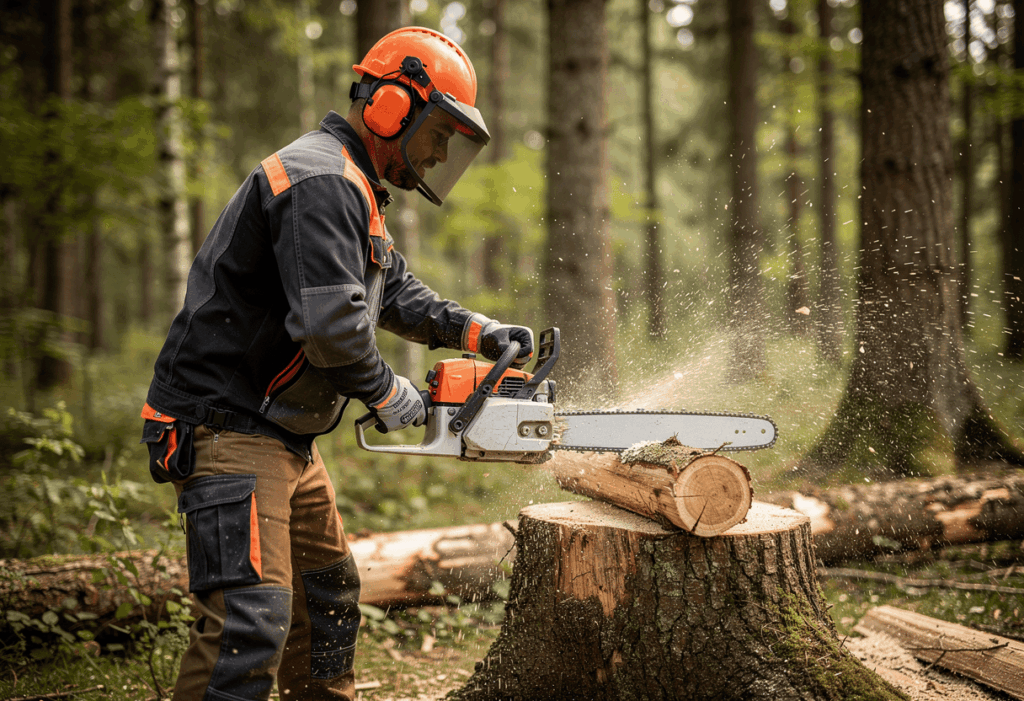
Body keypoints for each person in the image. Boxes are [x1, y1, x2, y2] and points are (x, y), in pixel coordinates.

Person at [140, 27, 533, 701]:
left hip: (282, 433)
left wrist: (478, 330)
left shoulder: (353, 186)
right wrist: (390, 392)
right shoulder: (322, 180)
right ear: (389, 106)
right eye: (439, 133)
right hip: (230, 427)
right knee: (247, 621)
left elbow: (393, 290)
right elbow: (329, 328)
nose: (440, 153)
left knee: (326, 595)